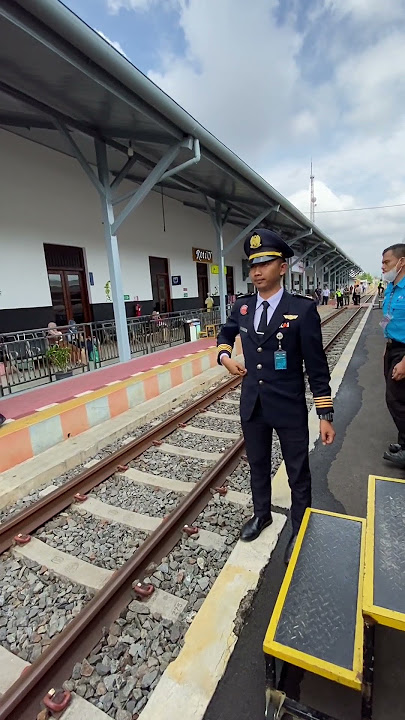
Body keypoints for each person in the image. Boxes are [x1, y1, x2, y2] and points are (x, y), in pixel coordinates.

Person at [217, 228, 335, 564]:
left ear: (282, 268)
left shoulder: (302, 310)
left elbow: (316, 366)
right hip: (252, 403)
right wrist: (225, 356)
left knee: (298, 471)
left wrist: (325, 414)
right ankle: (262, 514)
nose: (257, 271)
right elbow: (225, 334)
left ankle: (300, 527)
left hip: (288, 405)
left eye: (265, 263)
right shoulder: (242, 308)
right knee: (257, 465)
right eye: (253, 264)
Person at [380, 244, 405, 469]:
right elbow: (389, 319)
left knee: (396, 399)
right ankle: (403, 443)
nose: (383, 267)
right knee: (398, 398)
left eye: (386, 262)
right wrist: (387, 347)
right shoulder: (391, 288)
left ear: (401, 262)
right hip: (393, 348)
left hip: (404, 352)